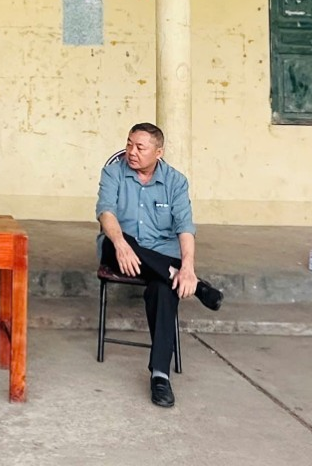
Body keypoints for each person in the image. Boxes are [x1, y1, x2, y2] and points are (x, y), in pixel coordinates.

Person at [96, 122, 224, 408]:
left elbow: (185, 227)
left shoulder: (175, 181)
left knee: (165, 288)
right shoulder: (113, 172)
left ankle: (160, 375)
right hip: (119, 249)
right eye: (129, 144)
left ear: (158, 152)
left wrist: (187, 267)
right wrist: (122, 245)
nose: (131, 152)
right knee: (117, 241)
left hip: (161, 254)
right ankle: (197, 287)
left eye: (140, 147)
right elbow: (106, 213)